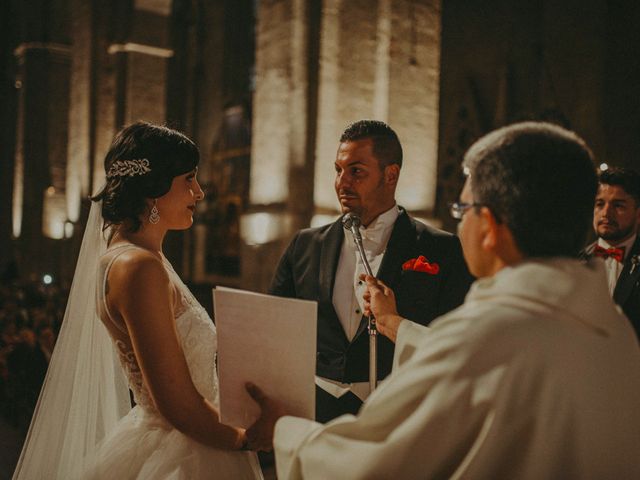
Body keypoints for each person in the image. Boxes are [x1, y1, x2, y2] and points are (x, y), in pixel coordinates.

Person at [247, 122, 640, 479]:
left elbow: (371, 466)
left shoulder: (482, 335)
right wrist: (392, 324)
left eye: (462, 209)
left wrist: (284, 430)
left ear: (489, 225)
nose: (459, 221)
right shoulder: (615, 331)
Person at [14, 122, 263, 479]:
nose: (200, 193)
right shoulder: (139, 267)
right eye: (189, 179)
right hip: (184, 450)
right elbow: (176, 403)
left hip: (188, 437)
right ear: (153, 192)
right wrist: (244, 439)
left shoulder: (140, 258)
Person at [269, 120, 473, 422]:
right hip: (313, 410)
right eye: (338, 170)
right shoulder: (305, 245)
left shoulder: (441, 249)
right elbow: (275, 325)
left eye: (356, 171)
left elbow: (457, 338)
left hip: (397, 410)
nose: (342, 182)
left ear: (391, 175)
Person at [581, 167, 640, 339]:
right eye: (600, 204)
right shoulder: (574, 261)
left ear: (638, 215)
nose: (606, 213)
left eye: (618, 205)